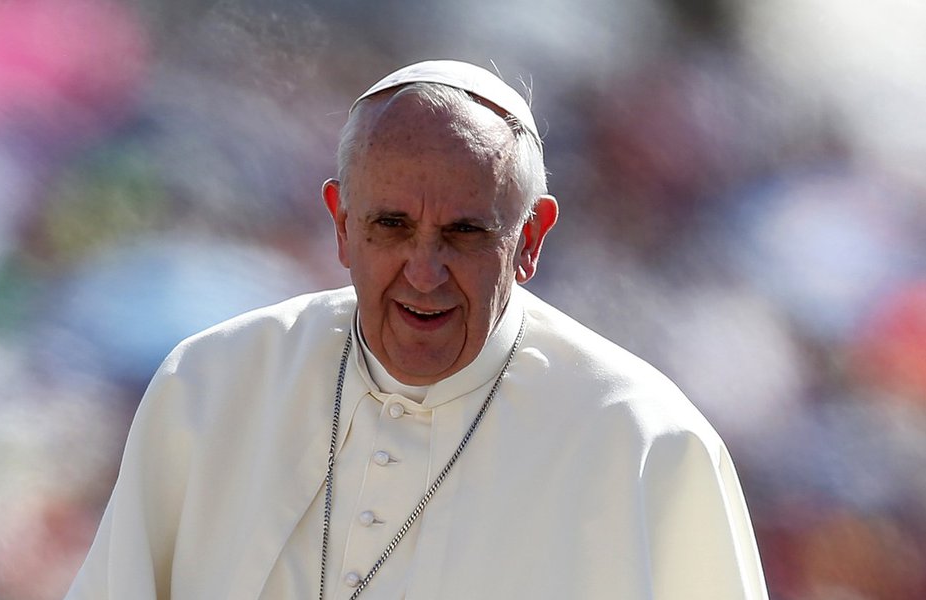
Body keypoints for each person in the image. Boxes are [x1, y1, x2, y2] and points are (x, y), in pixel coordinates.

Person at [65, 60, 768, 599]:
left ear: (530, 239)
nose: (423, 272)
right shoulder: (214, 384)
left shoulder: (642, 441)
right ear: (341, 223)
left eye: (464, 234)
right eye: (390, 227)